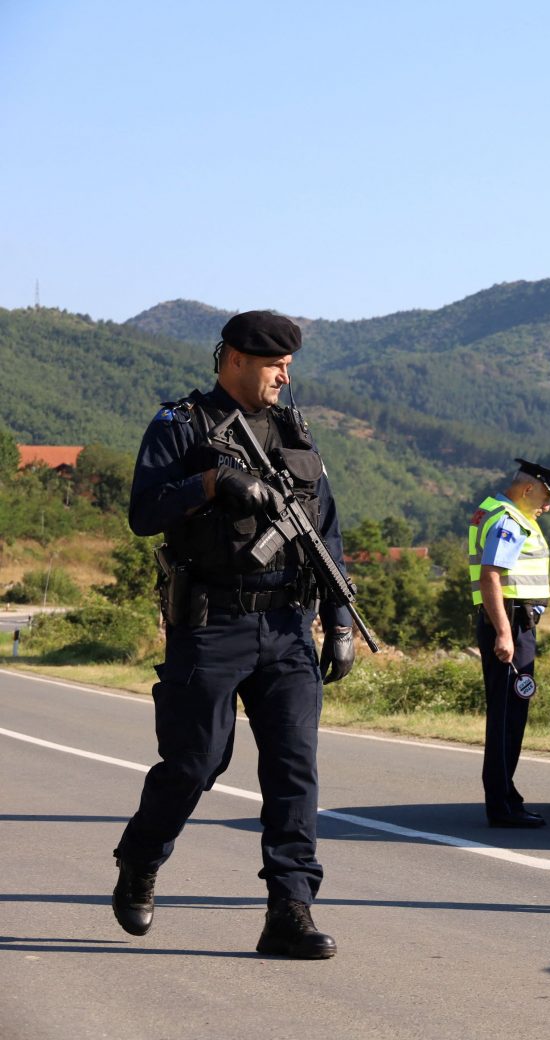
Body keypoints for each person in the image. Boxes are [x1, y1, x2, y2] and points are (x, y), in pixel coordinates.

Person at [111, 310, 355, 960]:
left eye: (288, 365)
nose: (284, 376)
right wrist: (211, 482)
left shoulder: (294, 430)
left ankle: (290, 910)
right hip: (211, 623)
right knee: (195, 762)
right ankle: (140, 858)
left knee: (294, 769)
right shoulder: (180, 425)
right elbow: (143, 512)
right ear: (236, 360)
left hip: (287, 625)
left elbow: (325, 529)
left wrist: (339, 618)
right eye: (275, 364)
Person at [469, 457, 550, 827]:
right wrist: (504, 633)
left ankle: (506, 797)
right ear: (528, 489)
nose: (548, 506)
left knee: (510, 712)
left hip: (513, 622)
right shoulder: (508, 520)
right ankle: (502, 805)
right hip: (510, 621)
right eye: (546, 497)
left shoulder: (502, 513)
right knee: (508, 716)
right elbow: (491, 576)